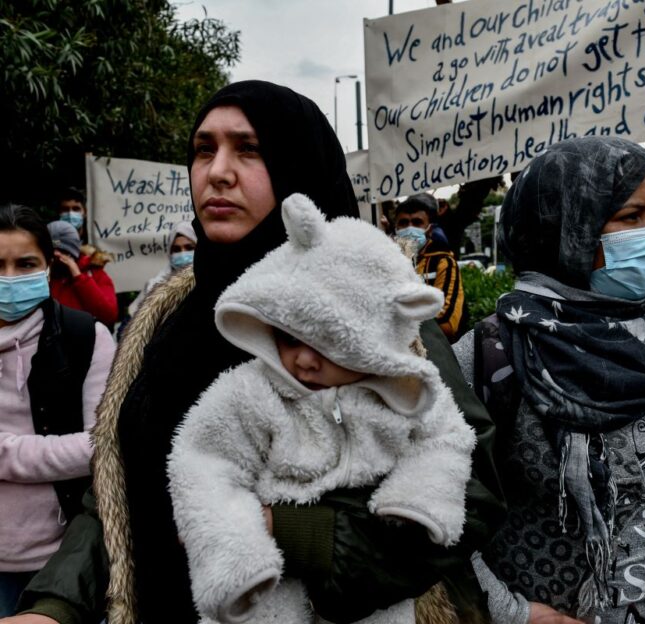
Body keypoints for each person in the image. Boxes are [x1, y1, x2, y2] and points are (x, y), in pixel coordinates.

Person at [4, 80, 503, 624]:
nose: (217, 171)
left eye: (249, 149)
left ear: (299, 167)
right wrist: (55, 606)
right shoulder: (164, 320)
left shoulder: (371, 311)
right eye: (203, 149)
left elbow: (469, 489)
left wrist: (285, 529)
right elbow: (119, 485)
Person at [455, 137, 645, 624]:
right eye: (632, 217)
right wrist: (514, 613)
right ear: (566, 226)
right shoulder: (492, 354)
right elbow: (436, 514)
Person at [168, 193, 476, 623]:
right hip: (270, 586)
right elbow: (202, 461)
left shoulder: (410, 393)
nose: (305, 360)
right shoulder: (252, 392)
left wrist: (418, 498)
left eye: (333, 345)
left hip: (375, 601)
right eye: (291, 338)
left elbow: (448, 438)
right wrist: (234, 548)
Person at [0, 204, 115, 617]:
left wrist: (4, 452)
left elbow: (99, 446)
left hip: (63, 563)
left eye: (25, 263)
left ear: (49, 266)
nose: (9, 278)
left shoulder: (87, 338)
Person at [395, 194, 466, 342]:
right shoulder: (385, 262)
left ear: (428, 229)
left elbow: (447, 324)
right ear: (396, 228)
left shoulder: (443, 262)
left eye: (417, 222)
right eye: (403, 222)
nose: (409, 228)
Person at [46, 221, 118, 328]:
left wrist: (79, 277)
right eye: (52, 251)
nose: (57, 255)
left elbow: (109, 315)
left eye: (62, 251)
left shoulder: (95, 274)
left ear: (73, 252)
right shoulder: (44, 275)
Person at [126, 220, 197, 317]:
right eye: (176, 249)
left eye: (189, 248)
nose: (182, 253)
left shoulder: (213, 282)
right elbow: (132, 322)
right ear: (170, 253)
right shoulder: (154, 286)